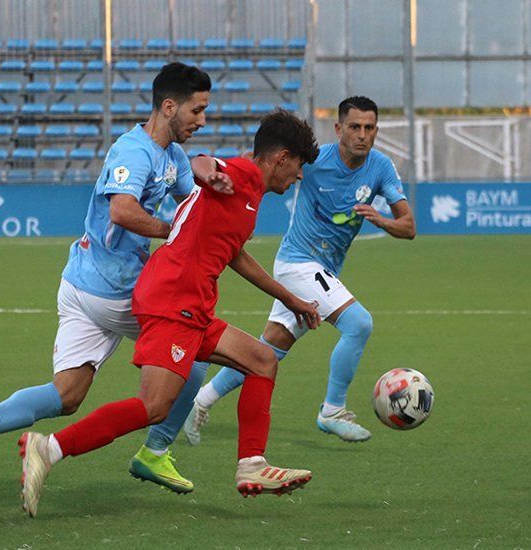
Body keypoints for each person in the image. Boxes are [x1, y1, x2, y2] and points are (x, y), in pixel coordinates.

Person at [18, 109, 321, 517]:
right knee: (154, 407)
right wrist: (207, 173)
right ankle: (49, 448)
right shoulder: (242, 175)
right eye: (299, 166)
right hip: (173, 301)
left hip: (191, 304)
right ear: (282, 157)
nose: (299, 177)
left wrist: (292, 299)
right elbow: (202, 163)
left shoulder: (250, 199)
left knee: (263, 360)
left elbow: (235, 256)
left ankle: (252, 464)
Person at [0, 62, 214, 494]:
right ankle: (155, 452)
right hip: (114, 290)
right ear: (168, 106)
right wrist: (172, 232)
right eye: (196, 111)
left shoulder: (173, 156)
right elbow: (123, 210)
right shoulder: (133, 151)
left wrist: (208, 169)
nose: (202, 120)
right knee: (193, 352)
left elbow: (193, 203)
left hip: (80, 283)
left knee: (67, 395)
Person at [184, 95, 416, 445]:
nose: (362, 135)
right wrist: (218, 175)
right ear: (338, 129)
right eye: (354, 127)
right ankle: (332, 410)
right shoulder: (314, 160)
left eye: (369, 128)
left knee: (267, 351)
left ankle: (201, 401)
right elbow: (264, 167)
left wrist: (381, 219)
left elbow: (409, 226)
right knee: (358, 323)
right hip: (298, 263)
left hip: (324, 270)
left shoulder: (381, 168)